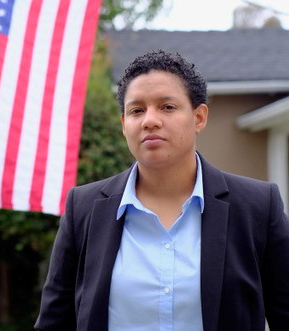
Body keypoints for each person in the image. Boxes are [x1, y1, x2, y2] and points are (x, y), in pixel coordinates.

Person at [35, 50, 289, 331]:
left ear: (199, 117)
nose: (149, 120)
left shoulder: (257, 206)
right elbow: (54, 322)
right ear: (124, 125)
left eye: (167, 107)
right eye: (136, 110)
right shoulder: (83, 208)